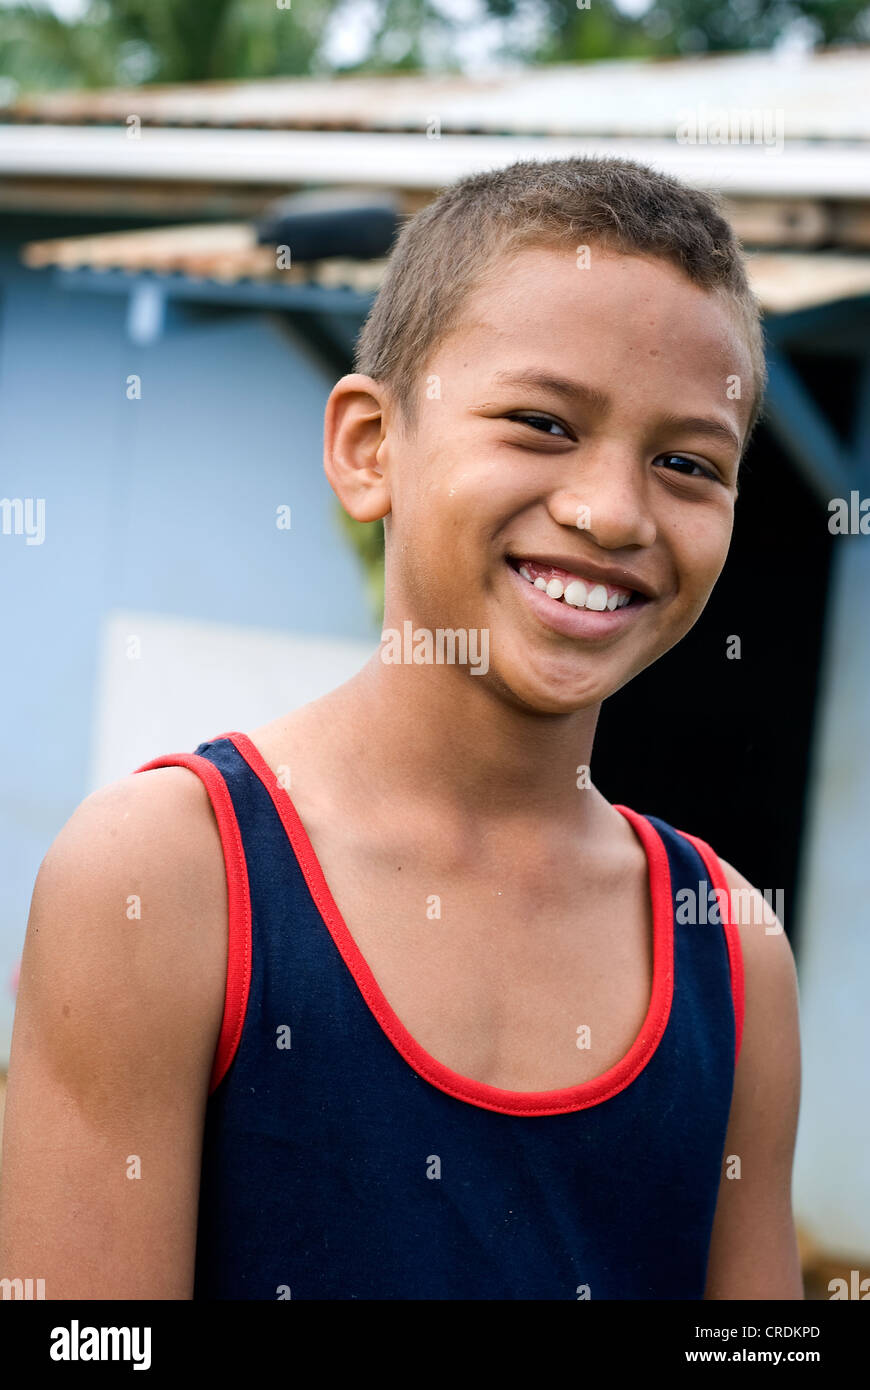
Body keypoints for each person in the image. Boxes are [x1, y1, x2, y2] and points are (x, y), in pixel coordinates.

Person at [0, 156, 802, 1299]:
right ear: (370, 448)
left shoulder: (728, 948)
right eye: (540, 422)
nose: (612, 511)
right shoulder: (168, 877)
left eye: (687, 463)